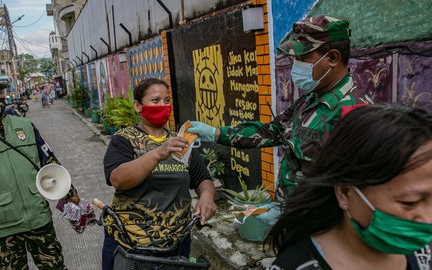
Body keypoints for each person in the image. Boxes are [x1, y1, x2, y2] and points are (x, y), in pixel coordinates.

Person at [188, 15, 371, 200]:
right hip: (292, 215)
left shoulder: (354, 112)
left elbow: (354, 191)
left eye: (302, 57)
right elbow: (272, 131)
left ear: (332, 57)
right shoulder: (310, 99)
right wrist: (216, 133)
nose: (295, 65)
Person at [265, 104, 432, 269]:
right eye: (410, 202)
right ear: (345, 192)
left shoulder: (418, 249)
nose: (428, 219)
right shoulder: (297, 265)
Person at [0, 73, 85, 269]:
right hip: (0, 226)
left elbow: (49, 161)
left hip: (37, 216)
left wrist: (70, 193)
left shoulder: (26, 126)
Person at [102, 78, 217, 270]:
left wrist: (206, 196)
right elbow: (118, 179)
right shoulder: (123, 139)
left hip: (176, 244)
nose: (163, 106)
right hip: (130, 245)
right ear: (138, 106)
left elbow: (203, 179)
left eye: (166, 100)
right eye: (155, 100)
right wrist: (158, 153)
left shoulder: (181, 142)